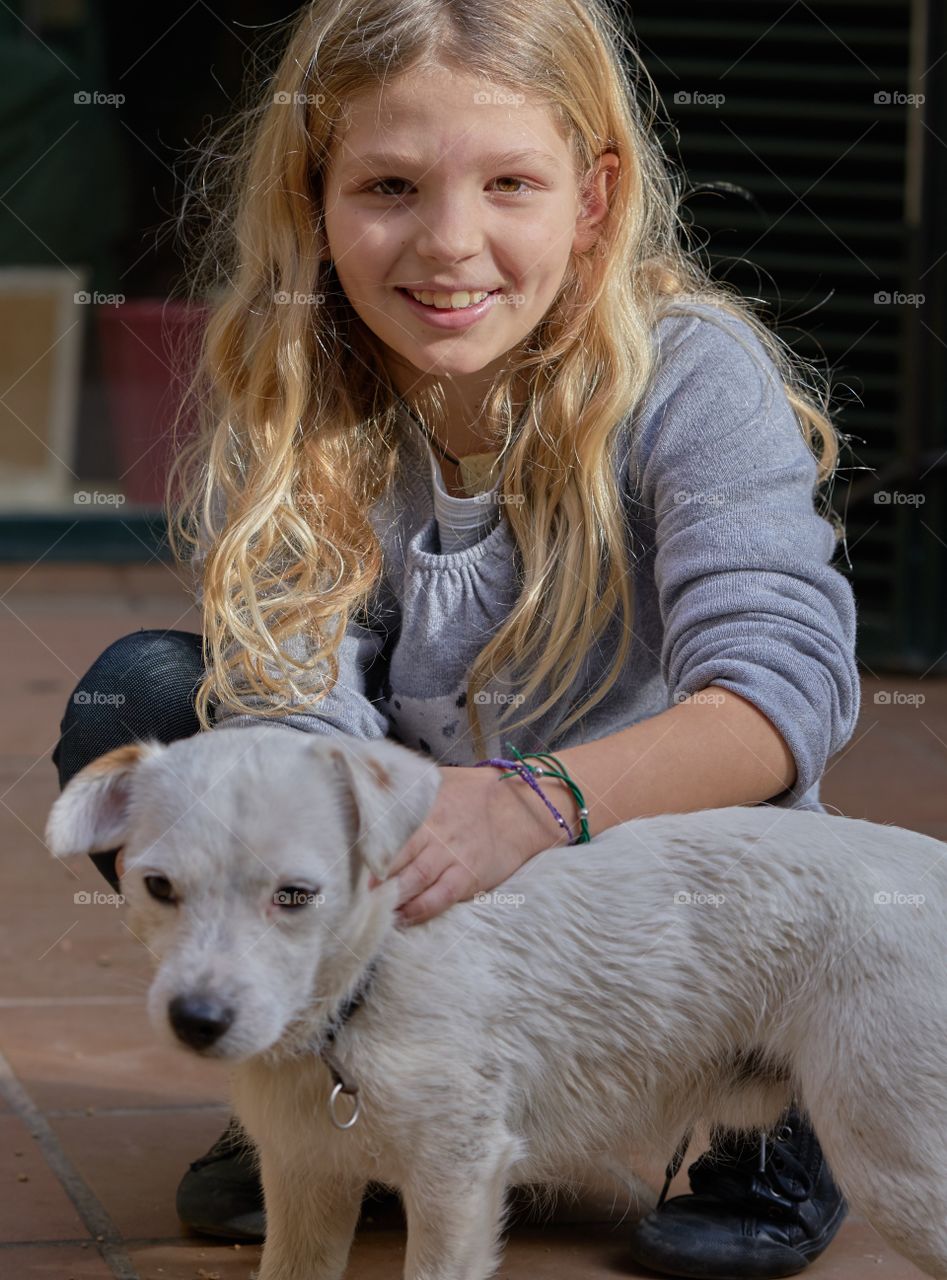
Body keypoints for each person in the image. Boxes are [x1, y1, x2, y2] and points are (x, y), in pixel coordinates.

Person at [52, 0, 861, 1274]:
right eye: (386, 184)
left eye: (509, 183)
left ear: (592, 199)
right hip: (421, 901)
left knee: (756, 886)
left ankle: (764, 1117)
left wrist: (528, 802)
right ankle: (323, 1078)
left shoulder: (689, 375)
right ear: (315, 196)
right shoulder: (297, 395)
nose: (448, 242)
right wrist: (388, 827)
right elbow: (292, 722)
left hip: (653, 901)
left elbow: (774, 694)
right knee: (139, 701)